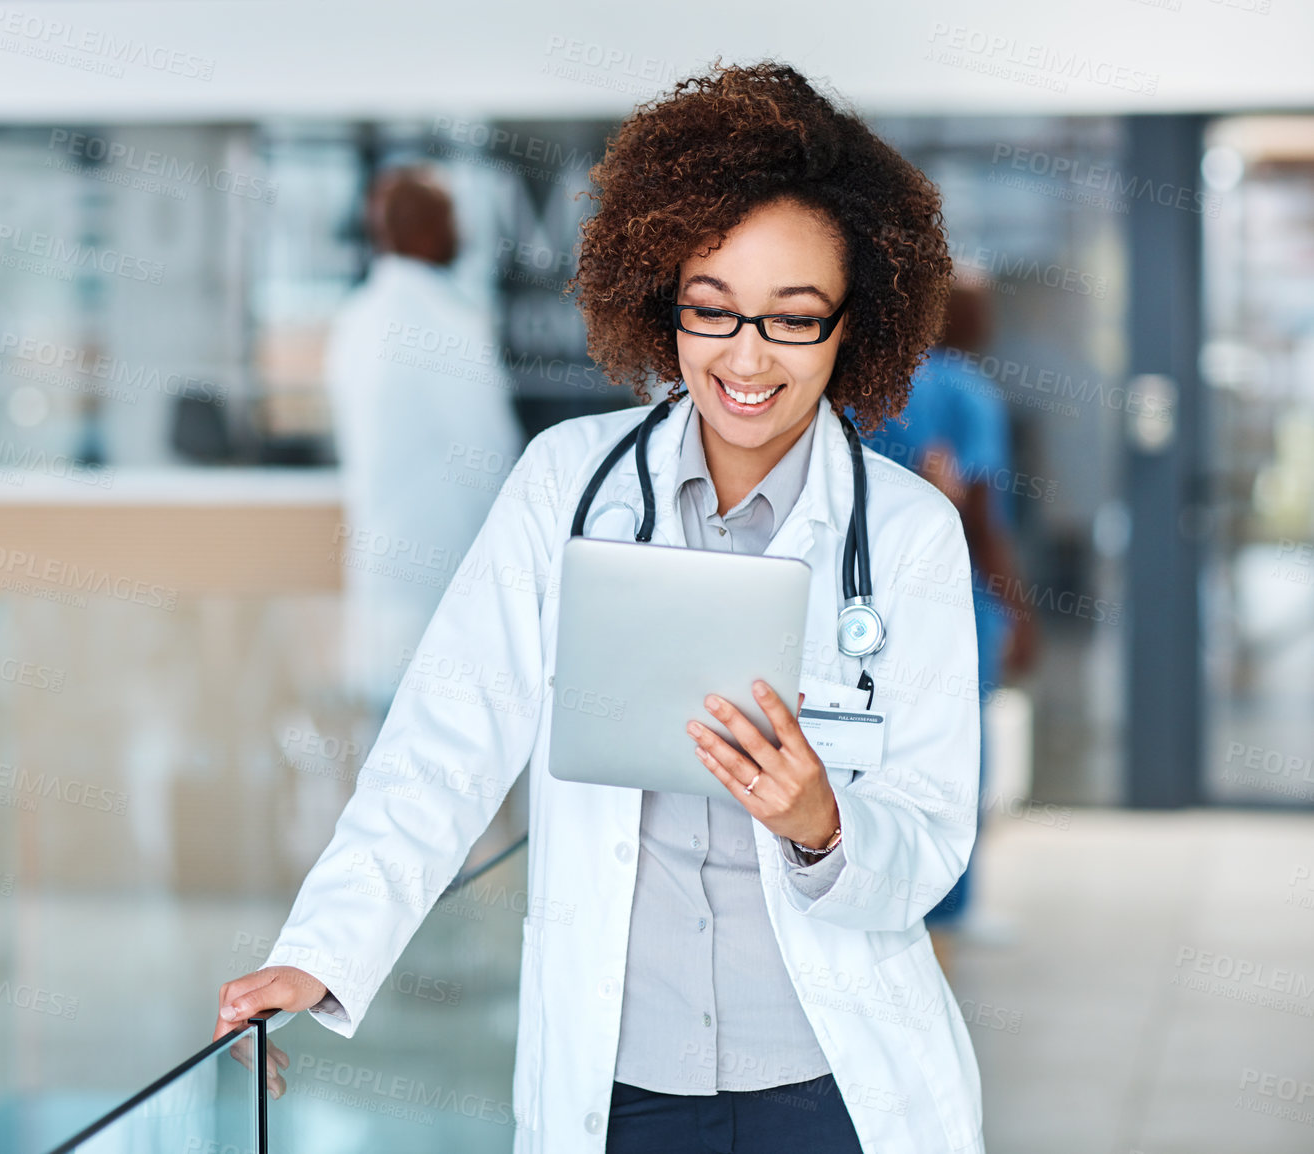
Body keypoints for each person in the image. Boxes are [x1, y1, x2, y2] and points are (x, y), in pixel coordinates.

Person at [219, 61, 984, 1154]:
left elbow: (934, 833)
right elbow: (446, 740)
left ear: (855, 325)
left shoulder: (906, 536)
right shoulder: (564, 486)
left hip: (834, 1088)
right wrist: (324, 947)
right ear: (659, 296)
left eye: (793, 319)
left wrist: (824, 825)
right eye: (710, 310)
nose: (747, 357)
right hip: (622, 1091)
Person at [862, 276, 1039, 958]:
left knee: (885, 748)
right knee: (959, 752)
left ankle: (891, 894)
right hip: (951, 600)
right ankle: (952, 903)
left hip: (872, 599)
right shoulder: (965, 389)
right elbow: (979, 515)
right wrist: (1018, 611)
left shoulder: (870, 387)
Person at [323, 165, 523, 712]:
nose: (462, 233)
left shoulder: (356, 319)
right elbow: (491, 460)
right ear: (426, 231)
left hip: (383, 581)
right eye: (451, 219)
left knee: (388, 764)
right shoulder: (449, 323)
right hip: (449, 578)